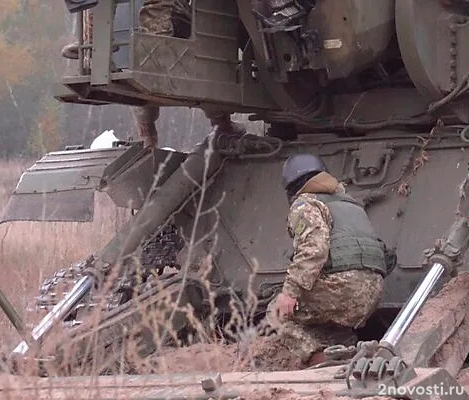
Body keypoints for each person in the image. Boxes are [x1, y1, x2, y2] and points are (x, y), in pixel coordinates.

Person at [247, 153, 389, 370]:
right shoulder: (351, 205)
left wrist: (290, 292)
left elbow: (314, 249)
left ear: (292, 187)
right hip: (373, 292)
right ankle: (346, 354)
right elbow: (385, 254)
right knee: (329, 320)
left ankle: (316, 359)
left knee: (277, 312)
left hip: (343, 289)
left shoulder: (305, 204)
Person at [61, 0, 245, 148]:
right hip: (167, 28)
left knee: (146, 80)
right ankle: (220, 124)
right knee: (204, 65)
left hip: (147, 34)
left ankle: (149, 137)